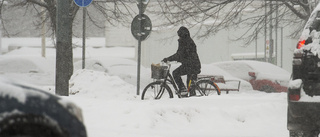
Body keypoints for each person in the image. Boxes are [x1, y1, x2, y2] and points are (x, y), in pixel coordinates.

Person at [162, 26, 201, 96]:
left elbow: (179, 55)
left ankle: (183, 90)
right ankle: (186, 94)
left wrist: (168, 59)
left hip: (191, 66)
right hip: (192, 65)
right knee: (190, 86)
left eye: (179, 35)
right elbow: (182, 55)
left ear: (182, 35)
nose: (179, 37)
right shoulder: (188, 40)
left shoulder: (184, 42)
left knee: (175, 73)